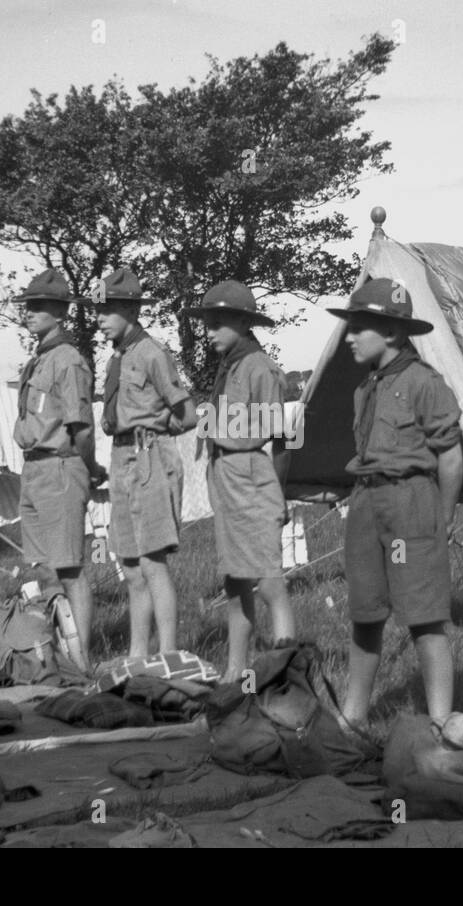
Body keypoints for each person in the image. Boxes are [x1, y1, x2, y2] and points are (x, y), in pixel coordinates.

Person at [327, 278, 463, 727]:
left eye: (357, 327)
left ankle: (441, 723)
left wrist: (442, 519)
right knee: (365, 613)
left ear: (390, 332)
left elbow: (450, 457)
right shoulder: (363, 389)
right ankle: (354, 714)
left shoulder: (425, 383)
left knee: (424, 616)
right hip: (367, 501)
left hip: (412, 501)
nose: (348, 337)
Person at [180, 280, 295, 681]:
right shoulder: (230, 366)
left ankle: (287, 678)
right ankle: (235, 672)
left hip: (251, 474)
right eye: (206, 322)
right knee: (235, 579)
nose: (209, 330)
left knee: (268, 579)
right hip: (226, 475)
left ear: (244, 322)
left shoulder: (259, 368)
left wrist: (278, 494)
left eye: (217, 322)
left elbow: (283, 437)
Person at [96, 267, 197, 657]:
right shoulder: (115, 361)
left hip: (150, 456)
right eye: (97, 312)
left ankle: (169, 654)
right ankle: (138, 657)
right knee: (132, 567)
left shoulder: (153, 354)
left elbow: (186, 414)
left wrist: (154, 429)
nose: (100, 320)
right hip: (121, 457)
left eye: (107, 311)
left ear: (129, 310)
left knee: (153, 563)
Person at [12, 269, 105, 667]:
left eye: (38, 307)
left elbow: (80, 427)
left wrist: (90, 468)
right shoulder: (40, 359)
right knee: (45, 569)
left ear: (60, 312)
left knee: (70, 567)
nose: (29, 314)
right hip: (34, 468)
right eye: (28, 306)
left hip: (61, 466)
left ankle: (81, 660)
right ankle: (57, 655)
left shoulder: (69, 361)